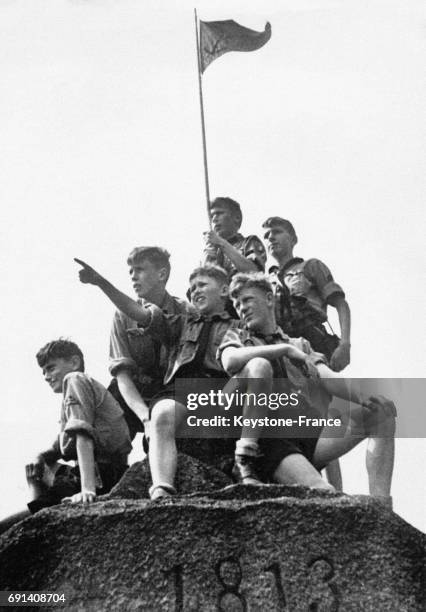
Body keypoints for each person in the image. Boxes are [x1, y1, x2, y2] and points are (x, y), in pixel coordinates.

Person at [219, 273, 395, 503]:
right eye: (237, 304)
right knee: (325, 494)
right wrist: (282, 351)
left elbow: (327, 377)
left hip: (306, 431)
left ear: (270, 299)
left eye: (248, 300)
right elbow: (230, 361)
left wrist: (363, 396)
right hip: (269, 437)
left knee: (381, 413)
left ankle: (381, 506)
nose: (242, 308)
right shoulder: (238, 336)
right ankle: (247, 461)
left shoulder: (299, 344)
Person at [0, 339, 131, 534]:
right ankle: (39, 508)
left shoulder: (74, 379)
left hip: (102, 474)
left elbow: (82, 434)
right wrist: (39, 457)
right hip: (105, 470)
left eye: (51, 368)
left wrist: (88, 489)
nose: (46, 376)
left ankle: (38, 511)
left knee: (5, 528)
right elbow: (58, 447)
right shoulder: (80, 390)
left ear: (74, 362)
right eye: (43, 371)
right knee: (39, 468)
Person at [109, 247, 191, 443]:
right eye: (130, 272)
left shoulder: (185, 311)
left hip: (171, 390)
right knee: (109, 418)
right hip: (136, 390)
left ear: (162, 274)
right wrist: (145, 418)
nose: (133, 277)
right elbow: (122, 376)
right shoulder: (122, 315)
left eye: (140, 270)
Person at [262, 217, 350, 371]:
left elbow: (341, 305)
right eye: (266, 235)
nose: (270, 237)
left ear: (293, 240)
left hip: (314, 342)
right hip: (282, 345)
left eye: (277, 232)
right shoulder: (265, 282)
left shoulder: (311, 266)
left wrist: (344, 345)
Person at [204, 197, 267, 277]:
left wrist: (221, 243)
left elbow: (255, 273)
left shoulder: (249, 243)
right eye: (212, 216)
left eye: (219, 213)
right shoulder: (212, 252)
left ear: (237, 218)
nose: (214, 219)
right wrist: (208, 255)